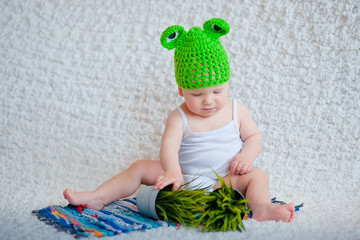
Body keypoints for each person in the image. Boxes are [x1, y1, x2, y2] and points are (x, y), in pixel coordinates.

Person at [63, 18, 295, 222]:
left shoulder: (237, 110)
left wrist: (247, 156)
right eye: (197, 94)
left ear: (227, 84)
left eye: (217, 91)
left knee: (258, 176)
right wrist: (173, 171)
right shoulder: (179, 116)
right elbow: (169, 147)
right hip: (183, 180)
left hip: (222, 181)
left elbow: (254, 136)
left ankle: (262, 208)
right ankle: (98, 197)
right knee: (140, 167)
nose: (208, 101)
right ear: (181, 90)